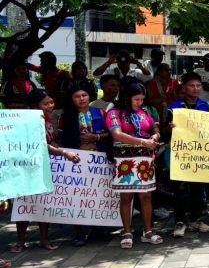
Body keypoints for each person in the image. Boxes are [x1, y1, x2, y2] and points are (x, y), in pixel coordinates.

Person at [11, 89, 81, 253]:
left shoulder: (48, 119)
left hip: (44, 167)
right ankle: (21, 241)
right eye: (46, 103)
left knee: (44, 202)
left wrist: (57, 143)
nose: (51, 106)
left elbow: (50, 140)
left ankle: (44, 238)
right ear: (36, 105)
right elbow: (40, 144)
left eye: (51, 102)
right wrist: (64, 153)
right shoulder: (28, 120)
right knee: (24, 203)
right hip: (26, 167)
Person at [105, 83, 163, 249]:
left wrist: (155, 135)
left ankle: (148, 231)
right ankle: (127, 231)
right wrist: (143, 141)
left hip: (145, 160)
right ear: (126, 97)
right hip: (125, 162)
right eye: (136, 99)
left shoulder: (144, 112)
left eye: (142, 99)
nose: (139, 102)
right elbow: (117, 134)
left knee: (146, 197)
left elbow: (154, 126)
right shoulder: (114, 113)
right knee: (126, 197)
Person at [59, 82, 111, 246]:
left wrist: (96, 138)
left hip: (98, 161)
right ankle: (78, 231)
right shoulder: (66, 116)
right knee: (78, 196)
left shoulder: (100, 113)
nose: (81, 99)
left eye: (84, 95)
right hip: (76, 161)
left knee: (97, 194)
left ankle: (97, 228)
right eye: (77, 96)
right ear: (71, 99)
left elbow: (111, 134)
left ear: (90, 96)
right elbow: (61, 138)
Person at [167, 72, 209, 236]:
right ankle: (180, 222)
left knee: (198, 189)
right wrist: (170, 128)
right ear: (184, 88)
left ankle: (196, 220)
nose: (195, 89)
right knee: (180, 190)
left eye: (198, 86)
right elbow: (166, 133)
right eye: (191, 86)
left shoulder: (206, 106)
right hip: (181, 155)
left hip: (199, 154)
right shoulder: (174, 108)